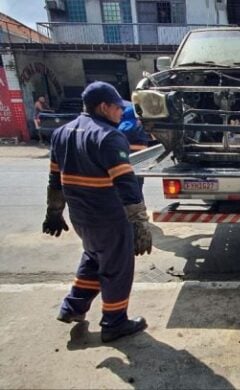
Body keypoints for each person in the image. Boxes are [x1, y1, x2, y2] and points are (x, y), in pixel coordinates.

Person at [42, 81, 153, 343]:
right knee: (117, 268)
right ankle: (114, 322)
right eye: (117, 108)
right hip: (109, 217)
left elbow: (54, 180)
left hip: (81, 218)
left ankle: (73, 307)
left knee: (94, 258)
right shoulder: (109, 136)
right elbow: (127, 184)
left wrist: (54, 213)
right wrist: (139, 224)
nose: (119, 114)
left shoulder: (61, 133)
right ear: (104, 107)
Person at [118, 101, 150, 193]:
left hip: (122, 161)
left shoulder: (120, 126)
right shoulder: (137, 126)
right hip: (138, 161)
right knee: (138, 189)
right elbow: (143, 148)